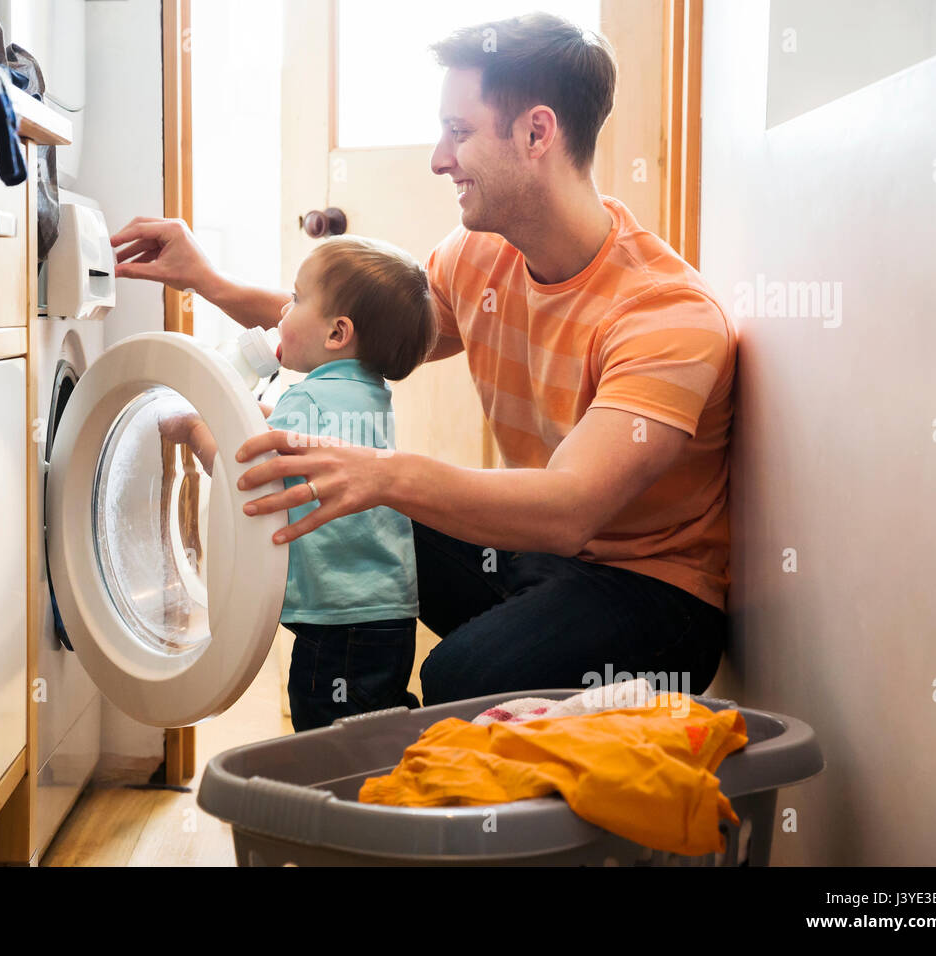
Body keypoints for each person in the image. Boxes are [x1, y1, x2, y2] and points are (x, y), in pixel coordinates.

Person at [112, 13, 736, 705]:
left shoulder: (665, 315)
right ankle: (349, 708)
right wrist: (209, 280)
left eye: (458, 132)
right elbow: (352, 331)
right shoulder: (482, 255)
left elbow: (570, 508)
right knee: (343, 513)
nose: (439, 158)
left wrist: (380, 473)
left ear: (537, 133)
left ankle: (426, 742)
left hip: (654, 597)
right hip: (537, 563)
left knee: (456, 677)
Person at [162, 236, 437, 731]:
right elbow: (295, 438)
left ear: (337, 333)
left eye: (295, 299)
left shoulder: (309, 399)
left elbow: (249, 470)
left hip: (335, 620)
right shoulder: (369, 396)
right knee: (374, 721)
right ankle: (392, 783)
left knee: (326, 732)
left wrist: (195, 428)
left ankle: (339, 803)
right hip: (386, 608)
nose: (281, 311)